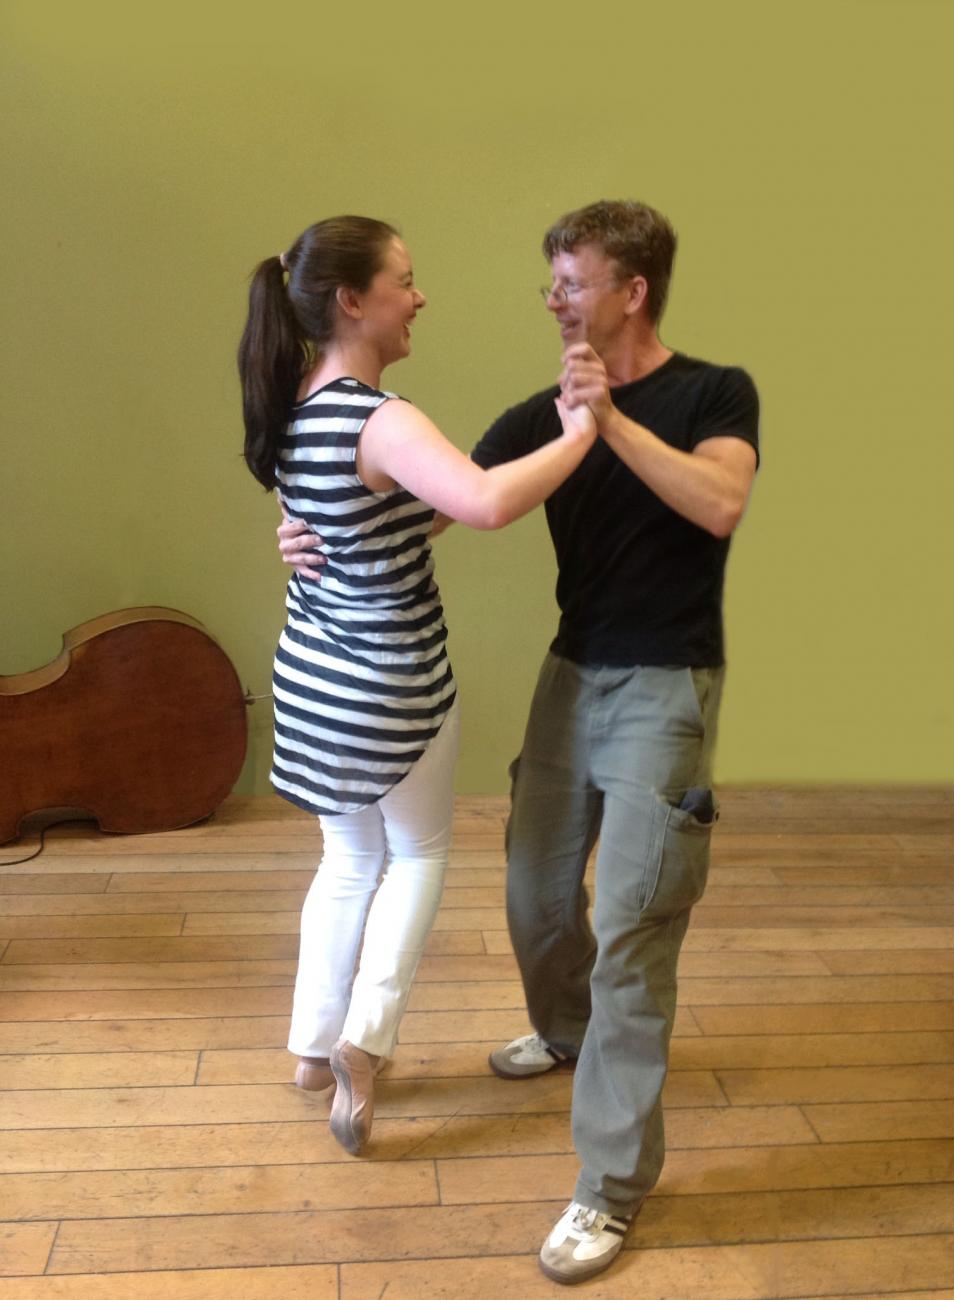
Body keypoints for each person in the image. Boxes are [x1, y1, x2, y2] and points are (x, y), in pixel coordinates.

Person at [278, 200, 759, 1282]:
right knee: (535, 897)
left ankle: (608, 1188)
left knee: (632, 928)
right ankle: (565, 1030)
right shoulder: (537, 415)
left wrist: (606, 423)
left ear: (631, 291)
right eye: (551, 281)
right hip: (570, 673)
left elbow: (719, 503)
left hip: (665, 682)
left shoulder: (713, 394)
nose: (552, 300)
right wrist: (309, 531)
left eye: (571, 283)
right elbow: (428, 505)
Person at [238, 214, 596, 1158]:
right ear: (352, 300)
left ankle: (312, 1049)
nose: (419, 296)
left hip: (311, 681)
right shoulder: (380, 418)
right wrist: (579, 434)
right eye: (405, 280)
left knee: (346, 860)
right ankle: (365, 1045)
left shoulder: (289, 405)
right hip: (391, 683)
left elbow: (389, 517)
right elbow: (483, 504)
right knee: (419, 855)